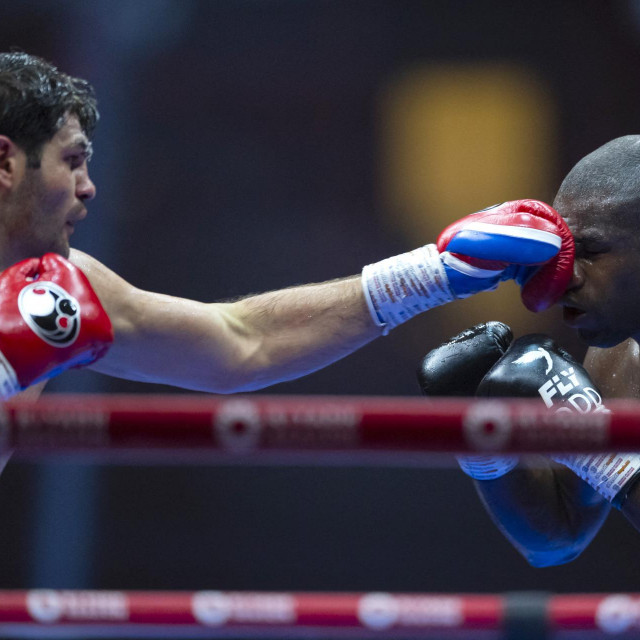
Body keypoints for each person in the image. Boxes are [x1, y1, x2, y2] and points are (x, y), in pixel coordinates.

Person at [0, 51, 571, 401]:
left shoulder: (63, 287)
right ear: (6, 163)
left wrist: (432, 274)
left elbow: (241, 343)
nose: (88, 187)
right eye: (71, 161)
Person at [418, 135, 640, 566]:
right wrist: (484, 448)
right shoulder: (616, 362)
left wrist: (608, 459)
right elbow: (558, 537)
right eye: (565, 251)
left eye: (591, 251)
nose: (563, 278)